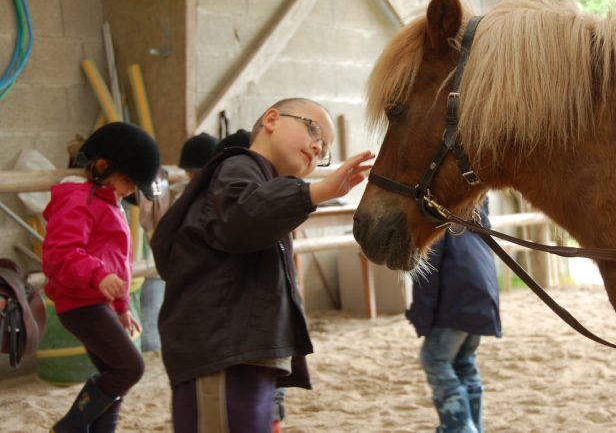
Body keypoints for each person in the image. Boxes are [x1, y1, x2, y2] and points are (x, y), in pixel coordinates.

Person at [150, 97, 373, 433]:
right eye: (313, 130)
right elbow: (241, 219)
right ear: (271, 120)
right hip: (223, 354)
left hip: (242, 356)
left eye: (325, 147)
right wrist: (314, 193)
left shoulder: (263, 182)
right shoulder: (238, 166)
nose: (318, 145)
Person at [42, 122, 161, 433]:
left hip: (97, 303)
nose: (130, 191)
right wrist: (97, 276)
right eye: (127, 181)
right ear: (102, 167)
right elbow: (61, 253)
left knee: (115, 373)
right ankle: (69, 427)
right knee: (131, 367)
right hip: (80, 303)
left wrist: (121, 306)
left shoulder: (109, 203)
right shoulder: (78, 200)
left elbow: (117, 264)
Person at [405, 198, 501, 433]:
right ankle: (472, 427)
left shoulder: (432, 217)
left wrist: (422, 318)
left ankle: (460, 429)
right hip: (482, 296)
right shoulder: (473, 210)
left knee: (435, 359)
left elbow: (428, 273)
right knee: (464, 362)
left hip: (455, 299)